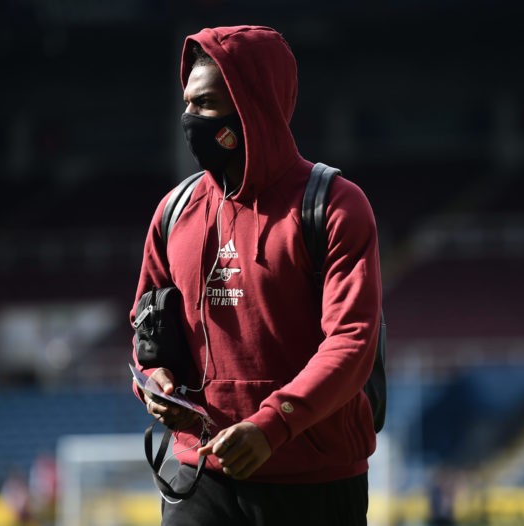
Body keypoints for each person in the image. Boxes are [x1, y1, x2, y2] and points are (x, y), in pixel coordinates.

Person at [130, 25, 382, 526]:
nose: (189, 120)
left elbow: (352, 344)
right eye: (187, 105)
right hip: (198, 476)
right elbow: (143, 330)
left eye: (204, 105)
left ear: (250, 106)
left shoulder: (334, 205)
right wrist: (155, 385)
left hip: (315, 481)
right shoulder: (173, 211)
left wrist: (271, 426)